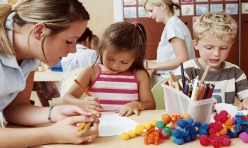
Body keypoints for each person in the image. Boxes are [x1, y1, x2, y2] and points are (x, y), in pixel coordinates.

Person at [0, 0, 101, 147]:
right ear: (39, 31)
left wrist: (56, 112)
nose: (73, 50)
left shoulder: (30, 55)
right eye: (69, 41)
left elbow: (15, 108)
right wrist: (52, 134)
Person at [62, 22, 156, 117]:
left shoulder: (139, 75)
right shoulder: (91, 71)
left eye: (124, 62)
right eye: (110, 59)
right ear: (101, 50)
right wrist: (82, 103)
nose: (115, 66)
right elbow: (66, 99)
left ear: (135, 58)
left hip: (130, 126)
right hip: (99, 124)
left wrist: (137, 105)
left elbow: (150, 104)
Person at [174, 11, 248, 110]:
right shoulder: (185, 70)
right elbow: (179, 102)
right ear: (195, 44)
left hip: (224, 124)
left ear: (231, 45)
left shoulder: (235, 72)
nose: (216, 54)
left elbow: (246, 98)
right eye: (209, 47)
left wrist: (246, 102)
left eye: (223, 48)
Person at [144, 0, 195, 87]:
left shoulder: (173, 26)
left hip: (174, 80)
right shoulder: (174, 24)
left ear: (163, 6)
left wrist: (153, 66)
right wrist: (151, 62)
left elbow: (182, 59)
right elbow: (171, 58)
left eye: (151, 10)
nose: (150, 15)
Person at [60, 27, 99, 97]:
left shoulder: (65, 53)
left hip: (66, 92)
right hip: (85, 95)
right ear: (87, 39)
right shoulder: (93, 54)